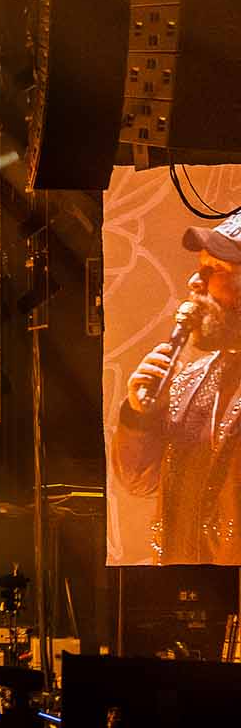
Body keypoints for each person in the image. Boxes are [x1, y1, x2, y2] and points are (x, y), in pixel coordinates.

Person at [114, 213, 241, 562]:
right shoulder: (190, 379)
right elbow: (139, 481)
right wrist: (140, 416)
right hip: (193, 594)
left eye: (214, 270)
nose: (194, 282)